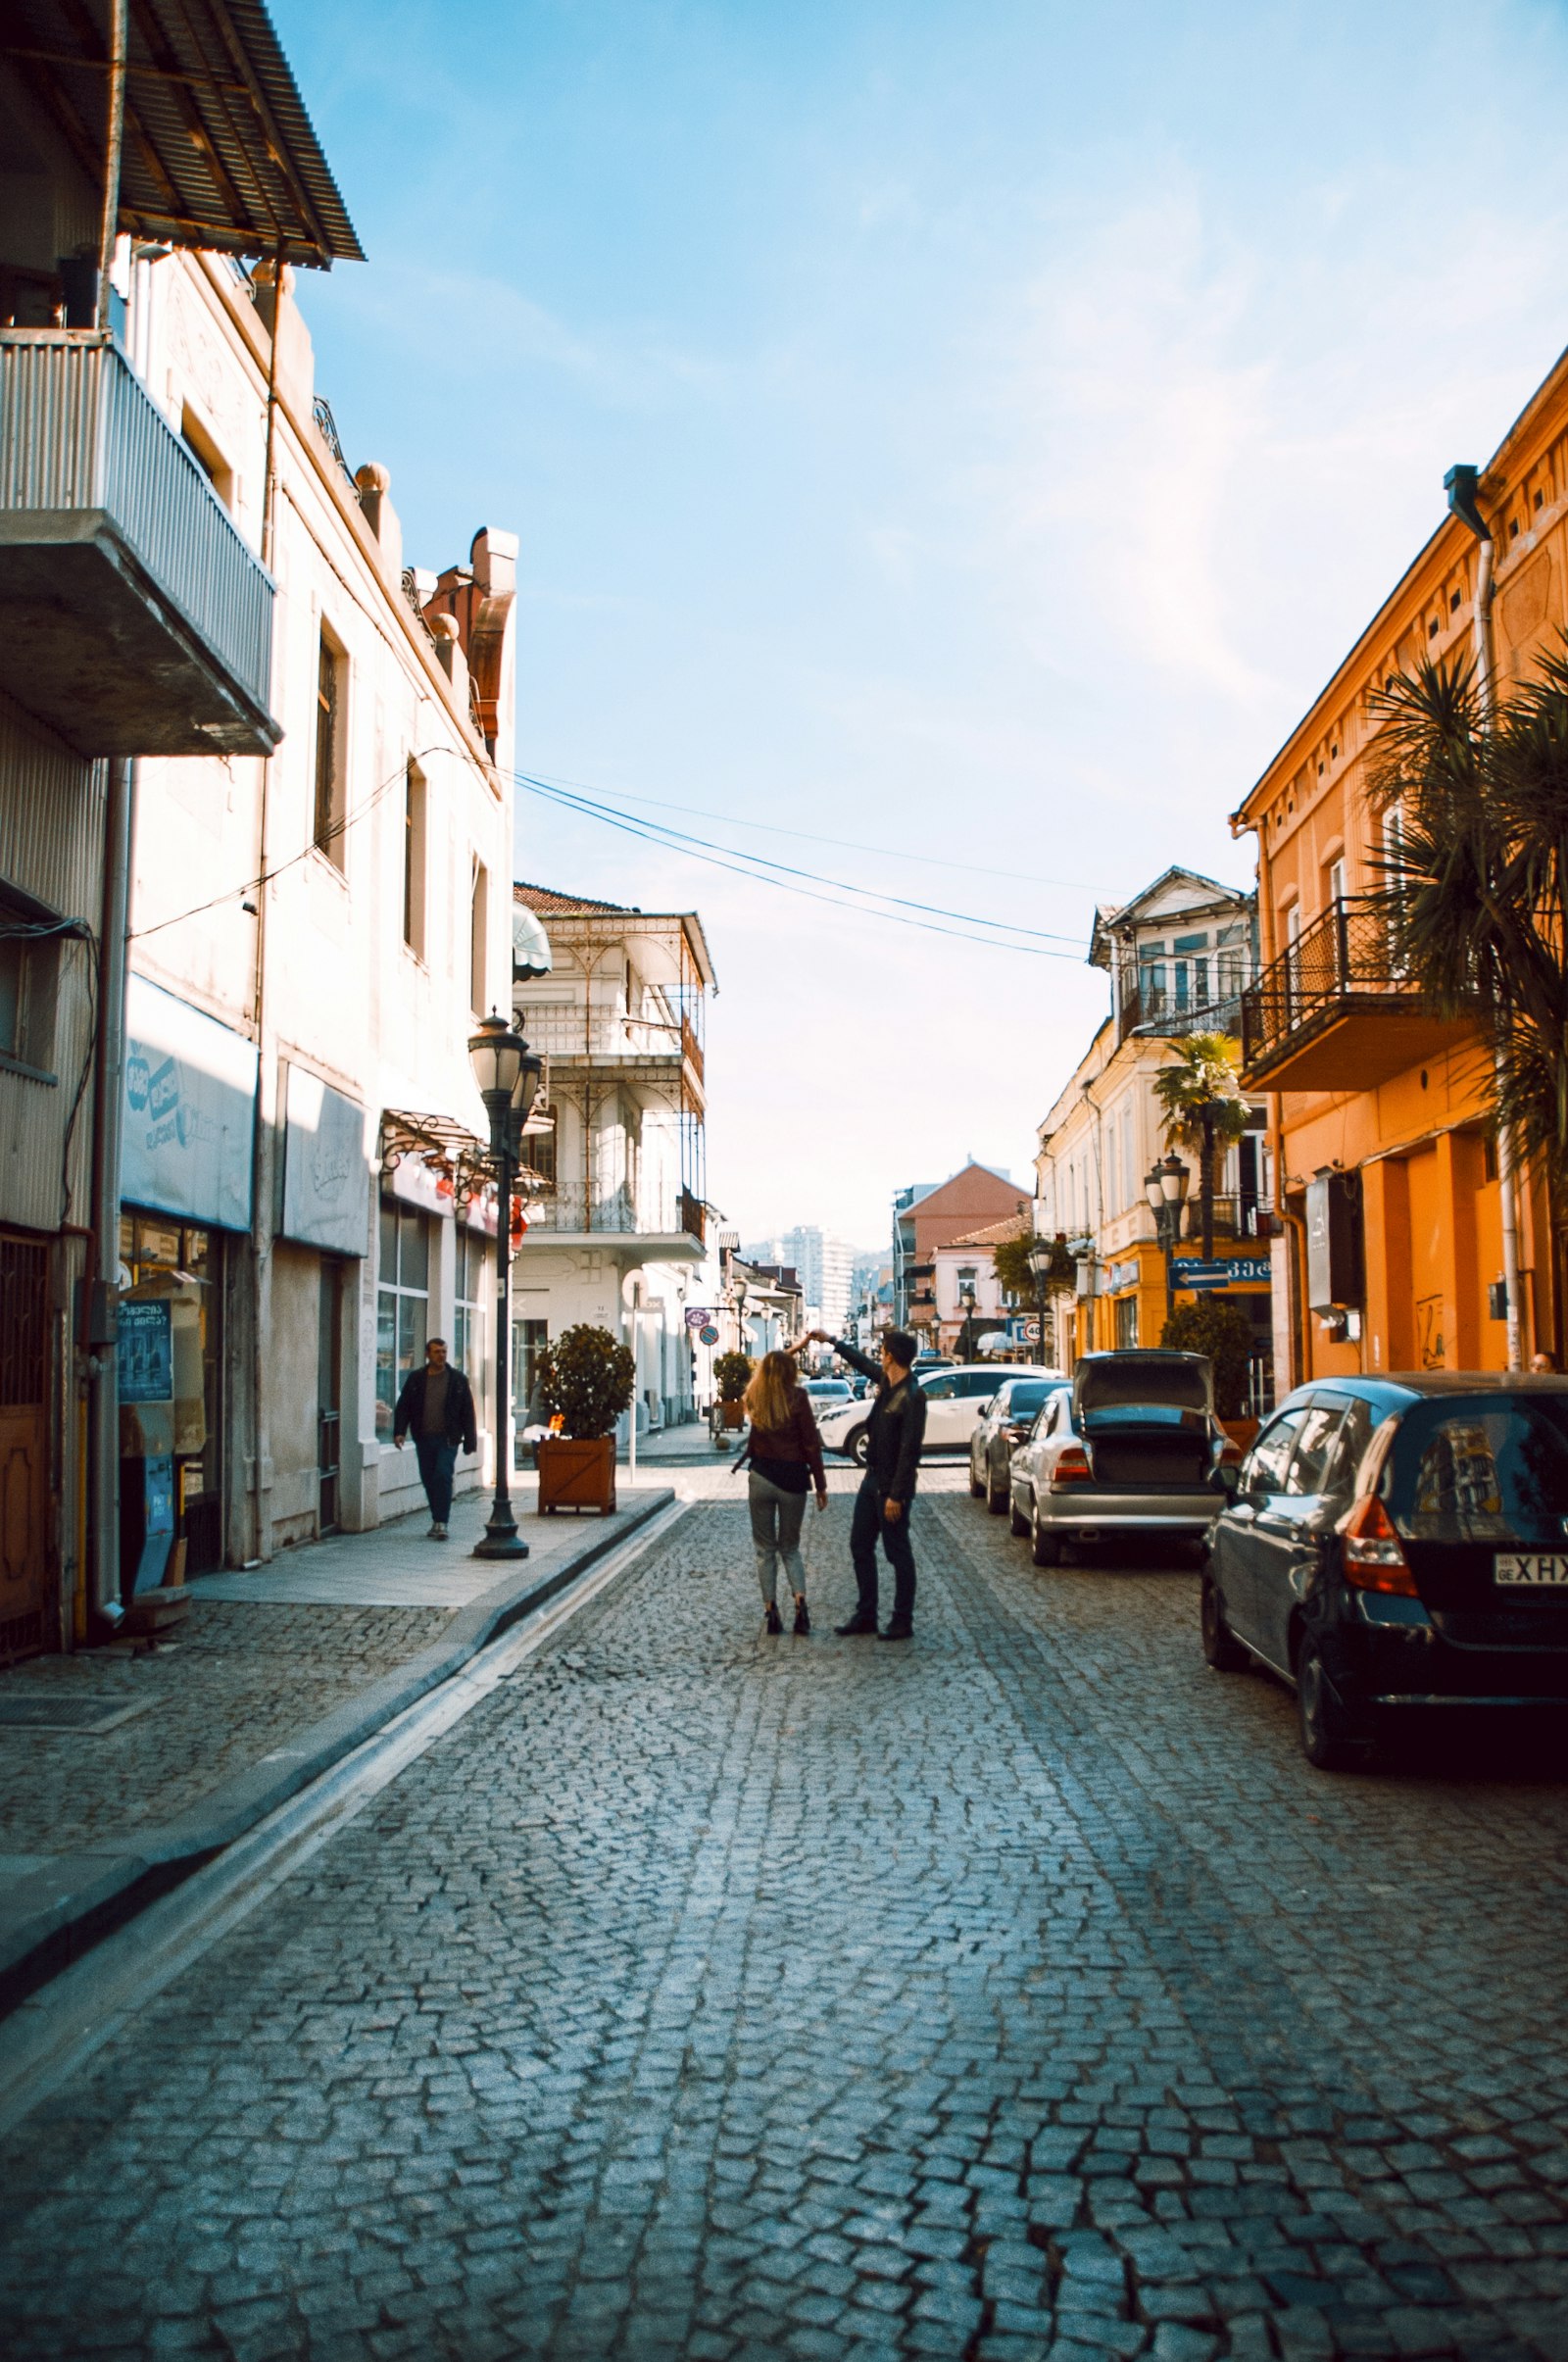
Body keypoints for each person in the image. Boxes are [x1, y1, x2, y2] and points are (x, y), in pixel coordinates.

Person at [807, 1326, 926, 1641]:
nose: (880, 1356)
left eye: (883, 1351)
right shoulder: (889, 1383)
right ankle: (866, 1614)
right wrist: (833, 1342)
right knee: (860, 1545)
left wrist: (897, 1496)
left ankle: (902, 1620)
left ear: (891, 1356)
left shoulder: (912, 1395)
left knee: (897, 1552)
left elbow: (909, 1450)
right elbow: (863, 1365)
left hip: (891, 1487)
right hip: (871, 1479)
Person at [740, 1347, 828, 1635]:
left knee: (765, 1550)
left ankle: (771, 1612)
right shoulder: (799, 1397)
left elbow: (766, 1369)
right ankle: (800, 1604)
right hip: (792, 1479)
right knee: (790, 1548)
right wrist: (821, 1484)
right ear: (791, 1372)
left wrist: (777, 1358)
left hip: (761, 1477)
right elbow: (811, 1443)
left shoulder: (755, 1396)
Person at [393, 1337, 478, 1539]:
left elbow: (468, 1411)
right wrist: (399, 1431)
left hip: (448, 1438)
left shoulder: (457, 1380)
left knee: (442, 1475)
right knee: (429, 1478)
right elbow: (404, 1406)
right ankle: (436, 1518)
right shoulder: (416, 1379)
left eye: (444, 1352)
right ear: (427, 1354)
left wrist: (470, 1440)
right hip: (423, 1437)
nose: (441, 1355)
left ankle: (442, 1522)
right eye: (437, 1352)